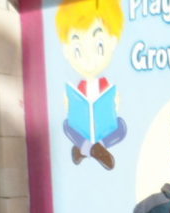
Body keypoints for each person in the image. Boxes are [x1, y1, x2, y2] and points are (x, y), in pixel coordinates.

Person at [56, 0, 127, 170]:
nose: (88, 59)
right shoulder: (78, 88)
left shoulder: (106, 85)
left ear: (112, 42)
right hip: (82, 129)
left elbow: (113, 106)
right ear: (67, 50)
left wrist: (113, 105)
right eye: (78, 49)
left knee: (121, 126)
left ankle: (89, 148)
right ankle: (91, 149)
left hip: (103, 128)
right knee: (67, 125)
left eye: (99, 46)